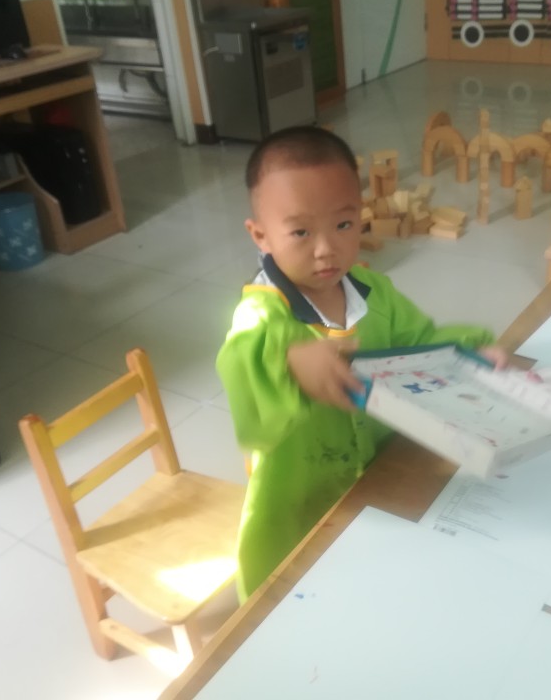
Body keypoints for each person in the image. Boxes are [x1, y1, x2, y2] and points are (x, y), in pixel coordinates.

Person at [216, 126, 505, 599]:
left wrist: (466, 356)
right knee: (304, 595)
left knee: (382, 587)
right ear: (261, 236)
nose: (326, 248)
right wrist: (289, 359)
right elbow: (241, 360)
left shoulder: (375, 292)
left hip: (380, 474)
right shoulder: (262, 313)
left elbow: (419, 344)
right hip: (300, 503)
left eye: (343, 225)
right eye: (301, 232)